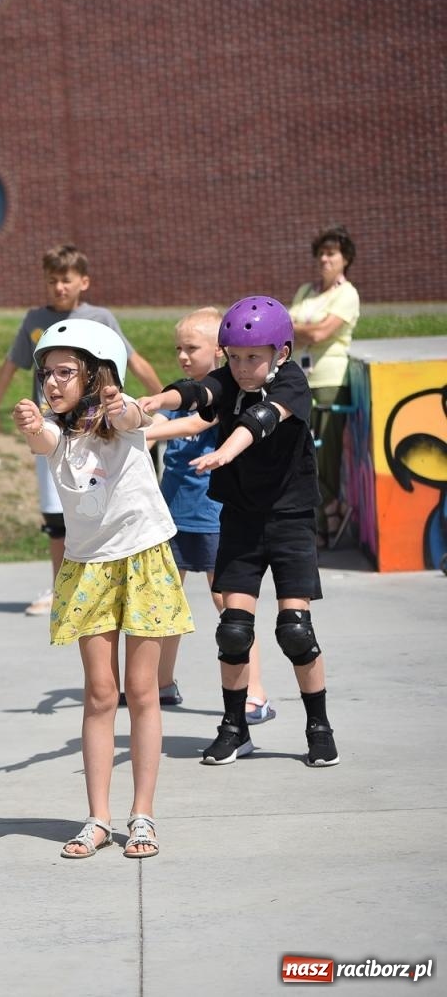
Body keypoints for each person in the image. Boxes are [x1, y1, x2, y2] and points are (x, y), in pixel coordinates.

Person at [12, 320, 193, 860]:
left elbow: (136, 414)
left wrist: (121, 401)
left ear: (96, 374)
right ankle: (97, 818)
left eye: (66, 372)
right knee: (99, 693)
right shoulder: (59, 433)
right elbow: (44, 438)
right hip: (88, 568)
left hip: (141, 560)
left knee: (142, 692)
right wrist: (29, 422)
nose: (52, 383)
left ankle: (143, 815)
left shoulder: (123, 416)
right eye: (46, 374)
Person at [138, 296, 339, 769]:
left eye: (254, 357)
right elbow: (198, 394)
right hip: (241, 520)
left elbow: (259, 420)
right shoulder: (230, 378)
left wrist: (226, 452)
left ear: (281, 352)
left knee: (295, 630)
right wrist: (158, 400)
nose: (244, 368)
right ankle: (234, 729)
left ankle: (319, 728)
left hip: (290, 519)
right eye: (235, 356)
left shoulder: (292, 382)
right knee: (233, 630)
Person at [0, 245, 162, 616]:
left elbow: (131, 358)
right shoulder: (35, 319)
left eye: (66, 280)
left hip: (97, 426)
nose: (59, 287)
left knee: (103, 501)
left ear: (84, 282)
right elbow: (10, 365)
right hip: (51, 427)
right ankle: (60, 585)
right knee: (54, 510)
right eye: (52, 281)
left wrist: (163, 397)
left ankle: (115, 577)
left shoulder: (100, 317)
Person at [289, 224, 362, 545]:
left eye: (331, 254)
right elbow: (284, 328)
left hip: (331, 381)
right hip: (301, 381)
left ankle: (327, 515)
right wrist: (308, 327)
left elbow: (319, 334)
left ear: (345, 259)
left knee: (326, 453)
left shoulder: (347, 294)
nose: (324, 259)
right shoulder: (306, 291)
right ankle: (329, 510)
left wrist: (301, 327)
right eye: (320, 253)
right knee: (301, 451)